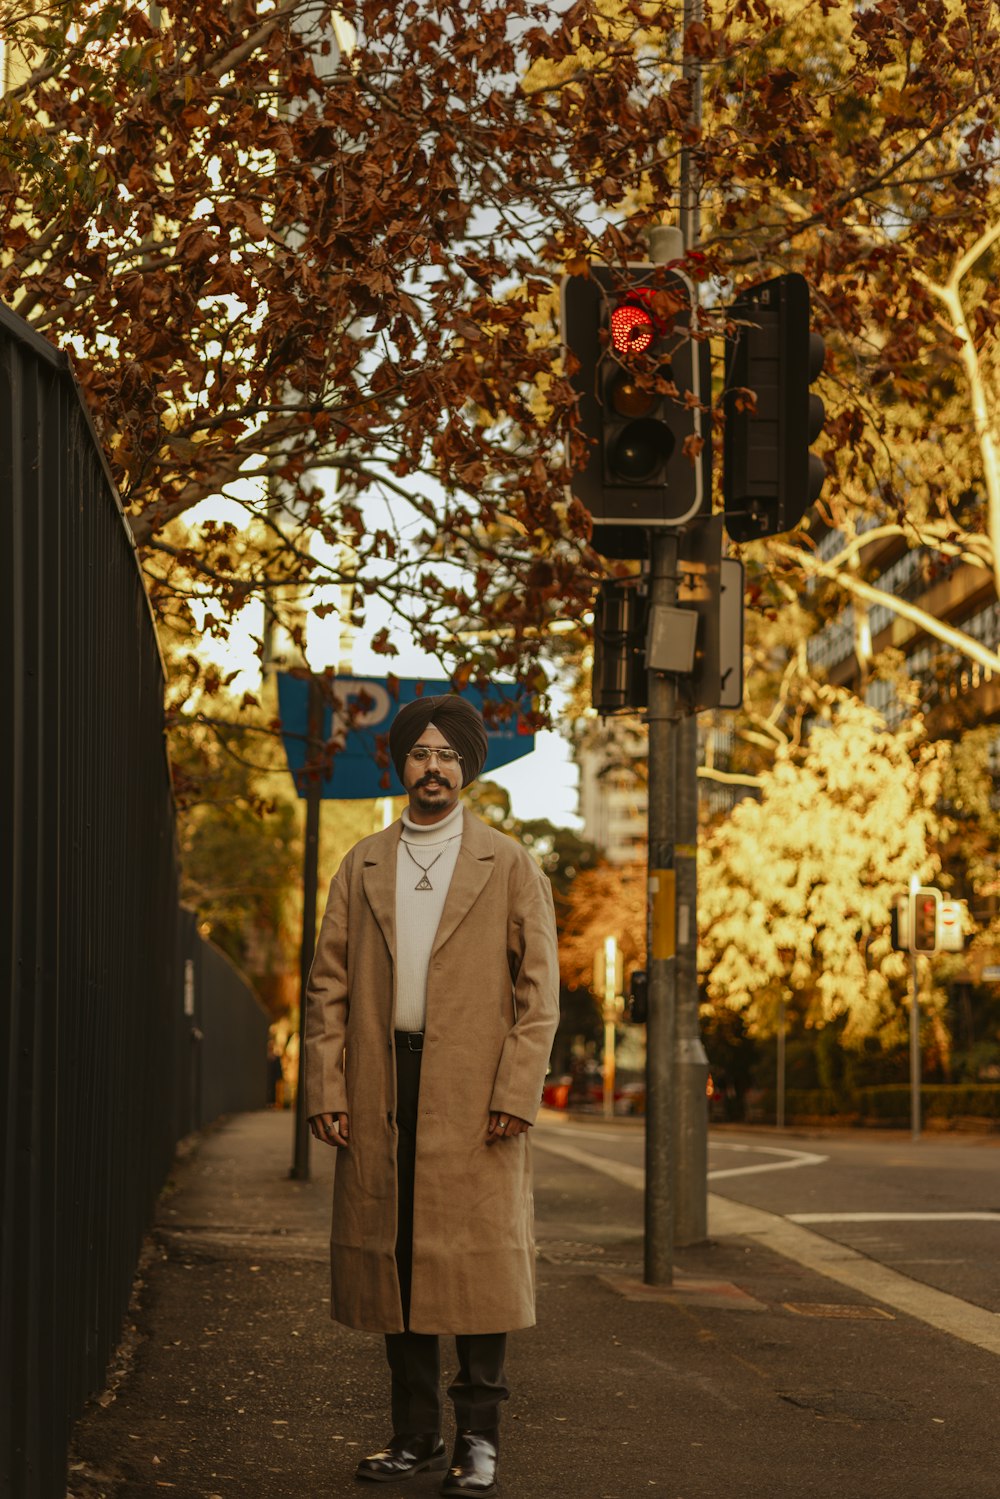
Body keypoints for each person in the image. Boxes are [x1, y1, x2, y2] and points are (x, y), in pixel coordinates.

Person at [304, 694, 560, 1496]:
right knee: (397, 1263)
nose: (434, 766)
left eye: (449, 754)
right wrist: (327, 1084)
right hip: (384, 1081)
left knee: (477, 1264)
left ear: (468, 768)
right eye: (420, 753)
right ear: (401, 765)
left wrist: (518, 1088)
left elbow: (539, 991)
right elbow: (327, 988)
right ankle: (413, 1434)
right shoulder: (363, 862)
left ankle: (478, 1439)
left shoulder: (509, 862)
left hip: (478, 1090)